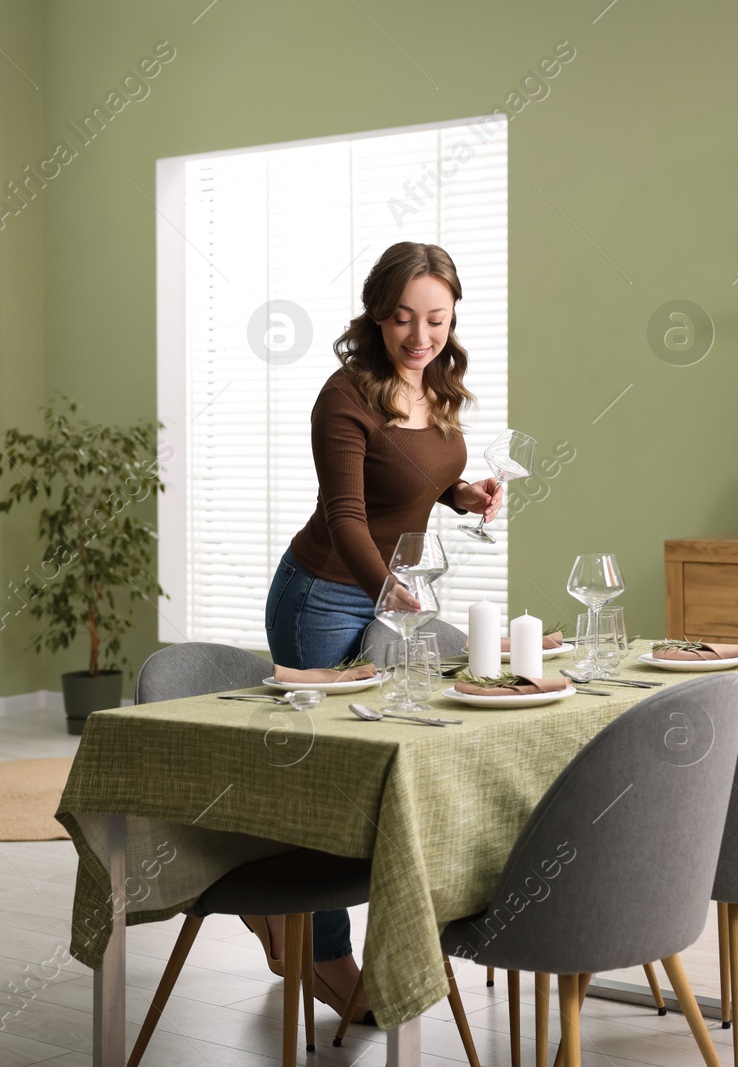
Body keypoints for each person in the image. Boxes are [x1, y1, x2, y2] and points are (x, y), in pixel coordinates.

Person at [247, 242, 500, 1024]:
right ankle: (323, 948)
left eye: (436, 317)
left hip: (393, 593)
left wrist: (463, 494)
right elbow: (349, 515)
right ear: (376, 314)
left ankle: (399, 914)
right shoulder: (345, 394)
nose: (420, 335)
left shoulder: (440, 386)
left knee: (426, 725)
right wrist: (392, 591)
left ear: (452, 314)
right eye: (402, 318)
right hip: (324, 592)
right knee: (322, 767)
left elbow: (415, 480)